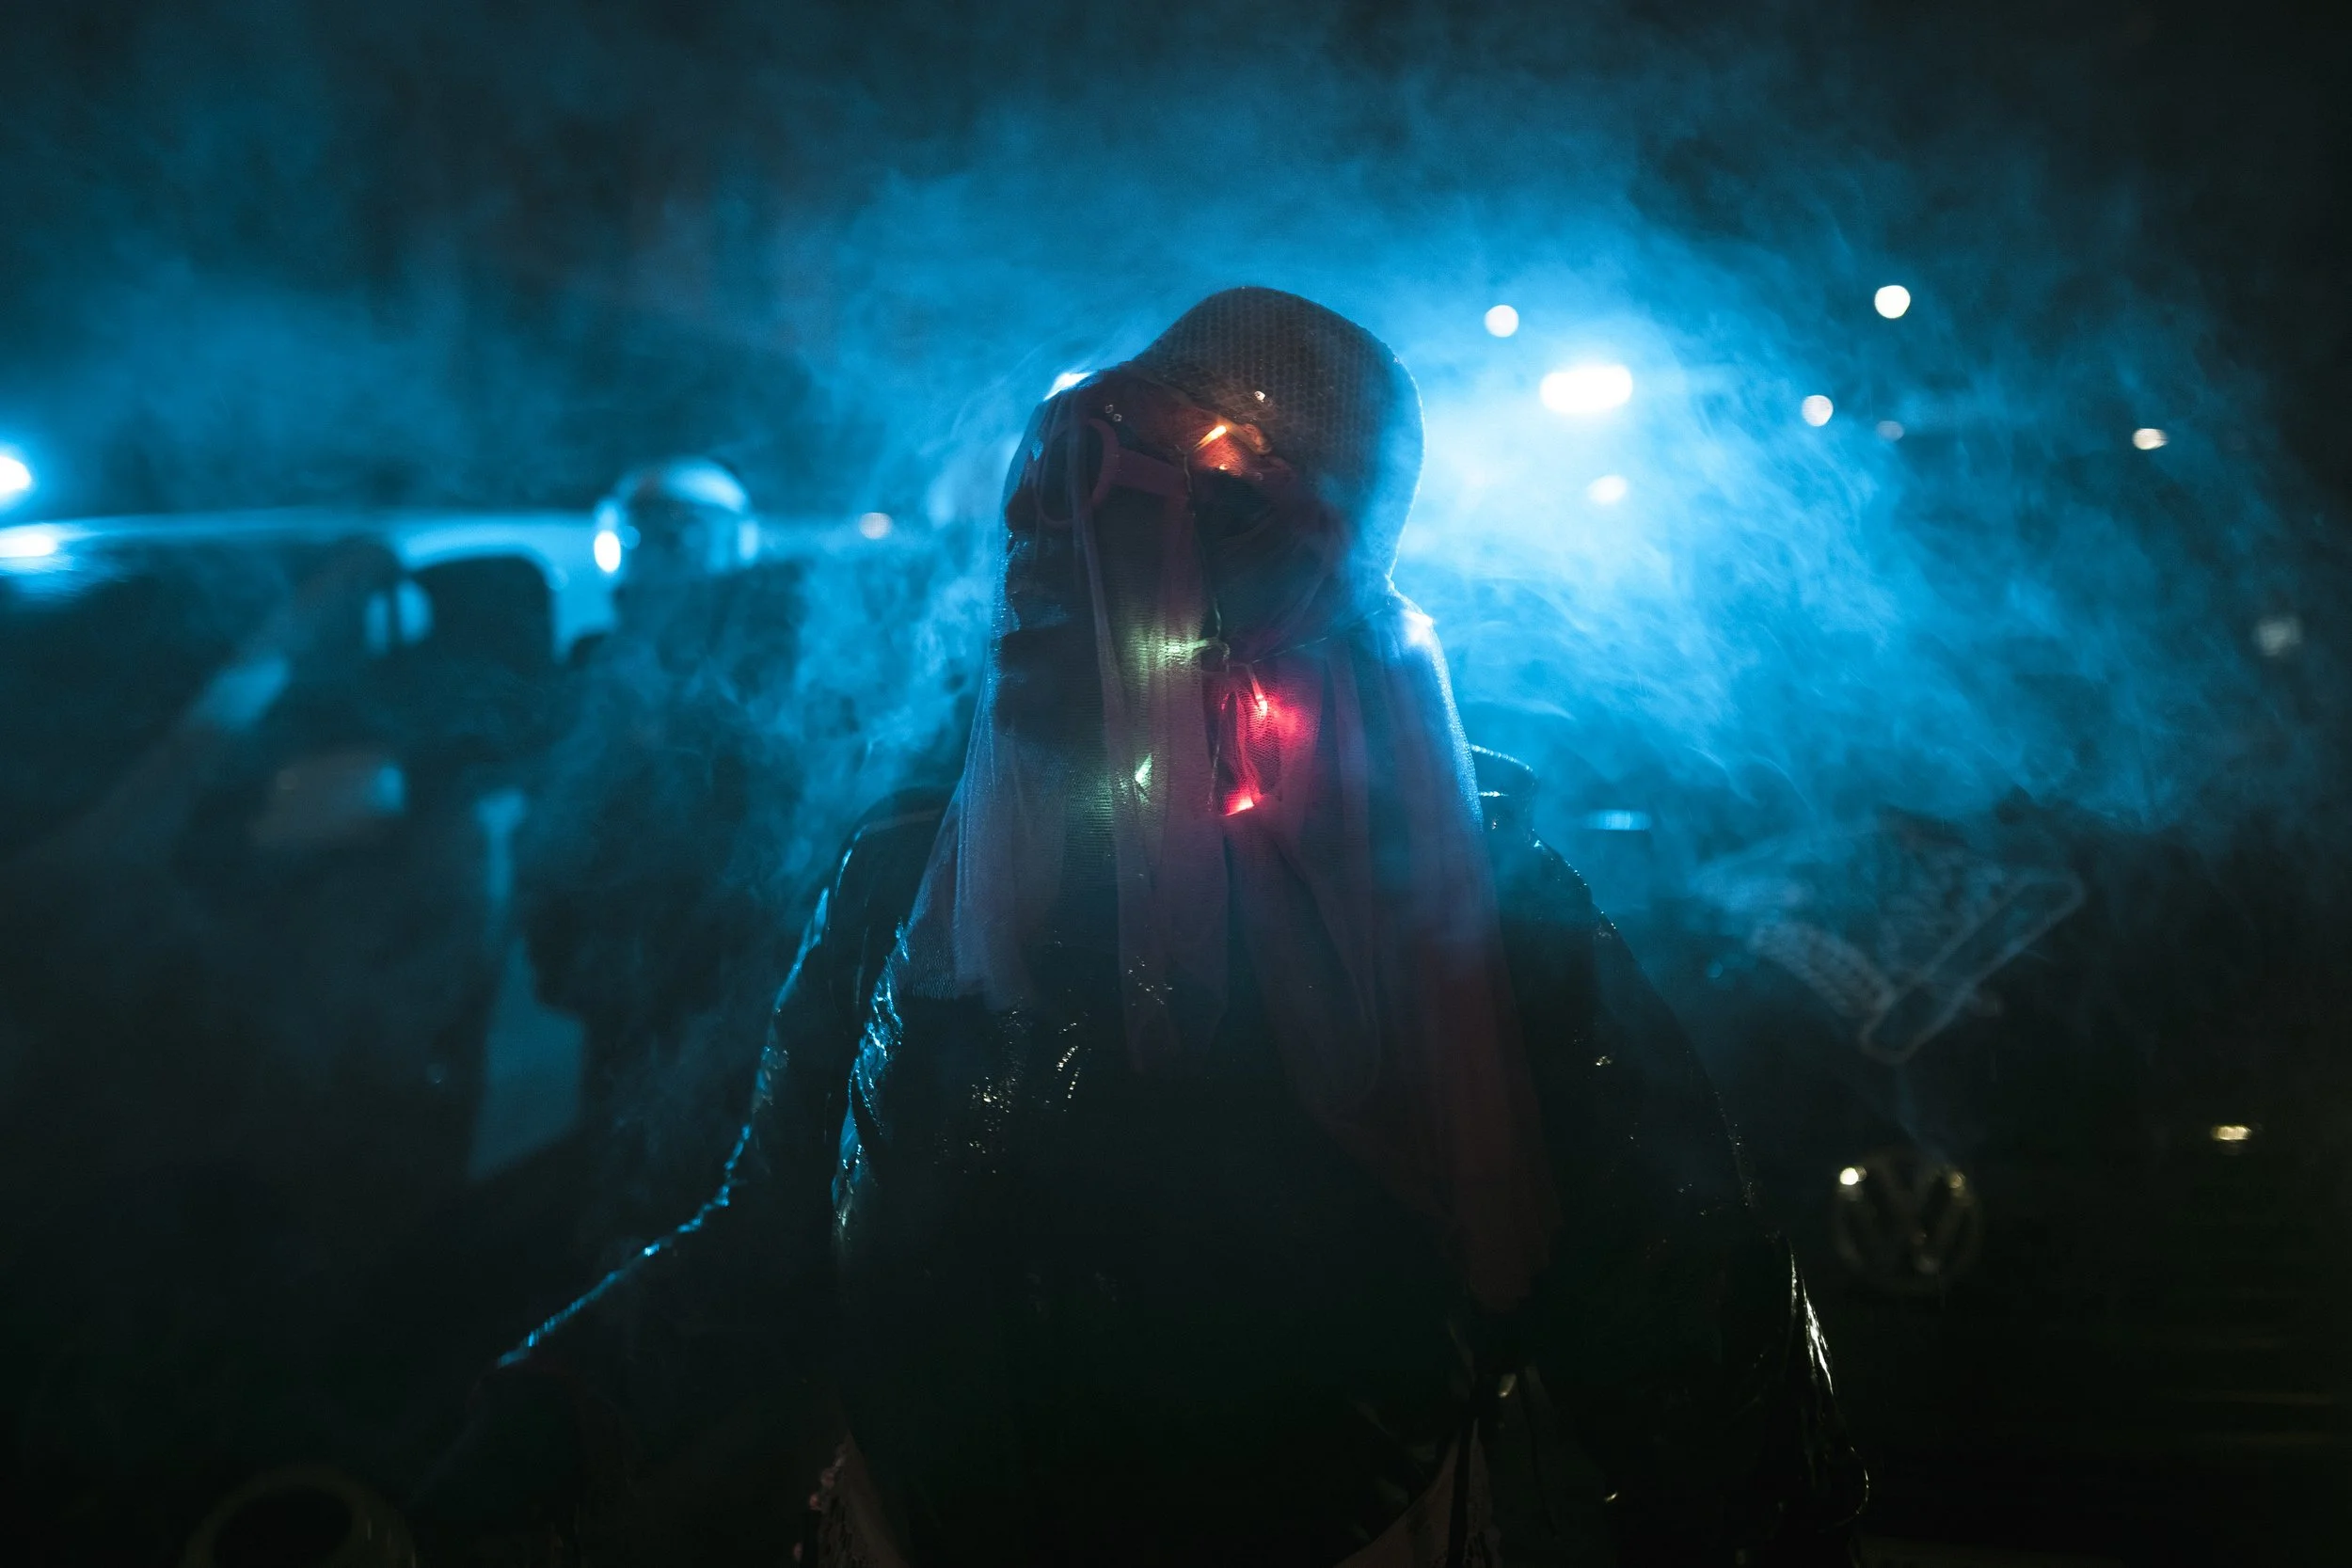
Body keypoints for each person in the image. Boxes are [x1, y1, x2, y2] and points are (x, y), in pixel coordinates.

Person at [417, 289, 1864, 1566]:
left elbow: (1696, 1337)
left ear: (1280, 567)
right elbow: (776, 1234)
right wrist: (560, 1406)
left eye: (1128, 512)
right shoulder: (917, 878)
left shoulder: (1465, 913)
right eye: (1041, 502)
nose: (1046, 550)